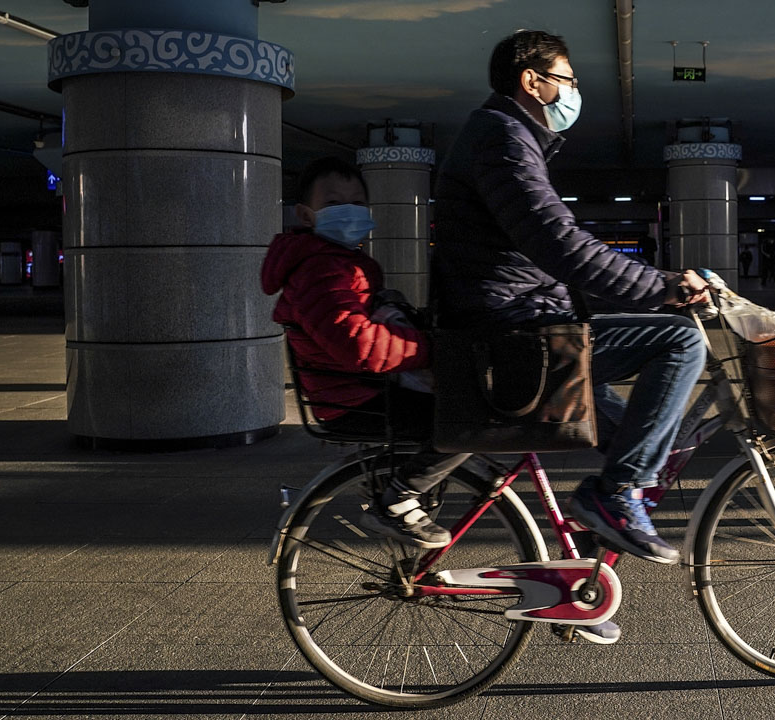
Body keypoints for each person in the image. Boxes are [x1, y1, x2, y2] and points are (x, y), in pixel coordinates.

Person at [431, 29, 708, 633]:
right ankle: (618, 496)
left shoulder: (510, 138)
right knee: (680, 342)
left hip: (525, 318)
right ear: (533, 82)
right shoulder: (502, 140)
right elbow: (560, 245)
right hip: (513, 332)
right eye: (569, 80)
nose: (574, 92)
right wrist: (660, 287)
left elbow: (553, 247)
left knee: (632, 442)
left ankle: (575, 589)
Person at [261, 157, 469, 550]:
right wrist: (429, 351)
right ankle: (398, 500)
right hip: (355, 398)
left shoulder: (335, 263)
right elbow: (358, 345)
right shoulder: (321, 270)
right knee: (469, 417)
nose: (350, 211)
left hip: (358, 389)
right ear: (306, 215)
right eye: (335, 203)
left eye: (358, 202)